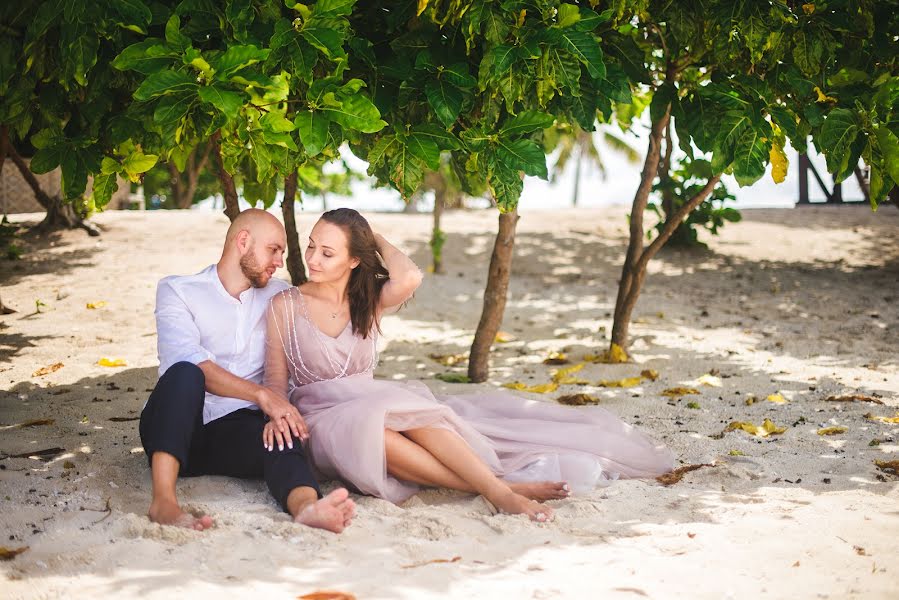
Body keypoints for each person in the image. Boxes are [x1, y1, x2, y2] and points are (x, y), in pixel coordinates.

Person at [262, 208, 675, 522]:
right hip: (320, 418)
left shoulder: (365, 301)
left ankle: (494, 487)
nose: (313, 258)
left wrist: (373, 237)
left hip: (373, 403)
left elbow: (408, 277)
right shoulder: (286, 304)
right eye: (312, 246)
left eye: (328, 251)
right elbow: (276, 382)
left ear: (354, 260)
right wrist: (277, 413)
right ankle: (502, 490)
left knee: (412, 414)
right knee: (378, 426)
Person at [139, 208, 355, 532]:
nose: (279, 261)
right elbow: (189, 360)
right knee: (186, 372)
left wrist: (275, 408)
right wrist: (263, 396)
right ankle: (164, 503)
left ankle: (307, 506)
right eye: (274, 249)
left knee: (281, 431)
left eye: (282, 252)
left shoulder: (280, 296)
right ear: (243, 241)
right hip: (176, 424)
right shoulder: (178, 290)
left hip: (234, 434)